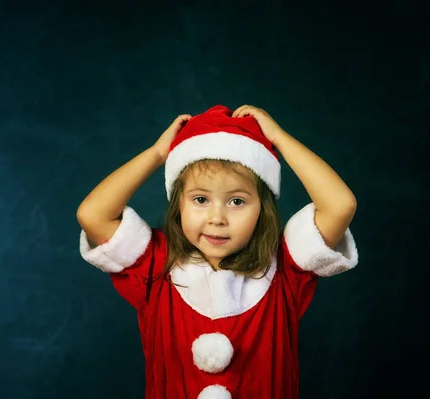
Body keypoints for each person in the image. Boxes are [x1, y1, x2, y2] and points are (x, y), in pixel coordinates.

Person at [77, 104, 359, 399]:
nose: (217, 218)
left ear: (262, 210)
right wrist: (158, 155)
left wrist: (278, 138)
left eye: (237, 201)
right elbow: (93, 215)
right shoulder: (156, 264)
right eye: (200, 199)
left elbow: (340, 205)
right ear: (178, 205)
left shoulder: (285, 268)